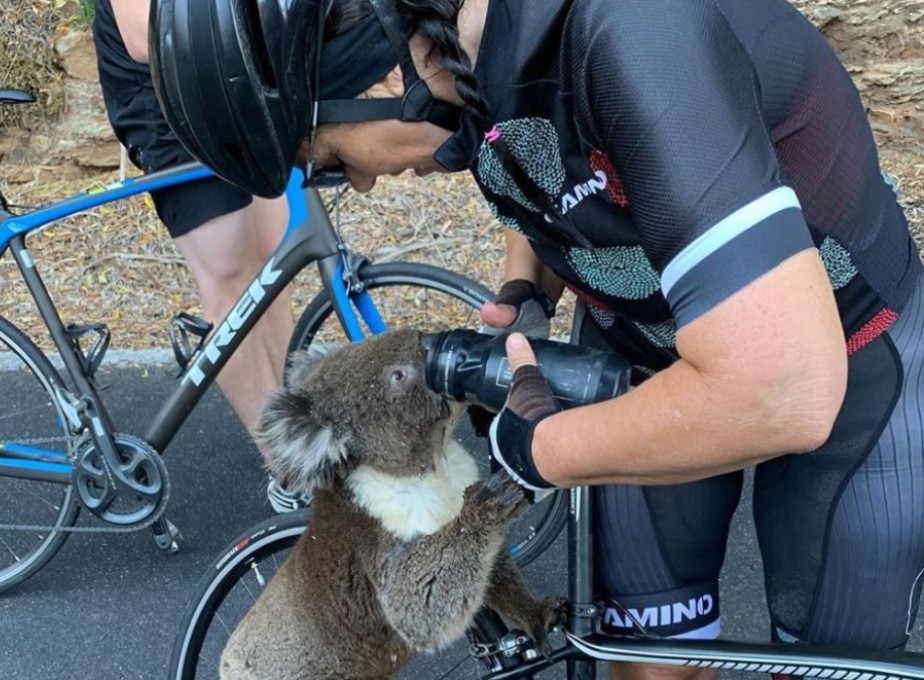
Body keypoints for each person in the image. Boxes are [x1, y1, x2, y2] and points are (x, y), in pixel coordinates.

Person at [150, 0, 924, 675]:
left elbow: (781, 389)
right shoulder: (466, 56)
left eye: (323, 161)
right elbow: (548, 162)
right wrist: (531, 285)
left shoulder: (634, 32)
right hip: (641, 355)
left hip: (854, 362)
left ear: (384, 79)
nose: (353, 183)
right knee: (650, 665)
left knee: (824, 663)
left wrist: (535, 453)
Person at [92, 0, 306, 513]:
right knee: (229, 275)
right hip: (164, 99)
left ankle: (290, 423)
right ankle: (287, 466)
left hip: (229, 85)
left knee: (271, 263)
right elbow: (144, 38)